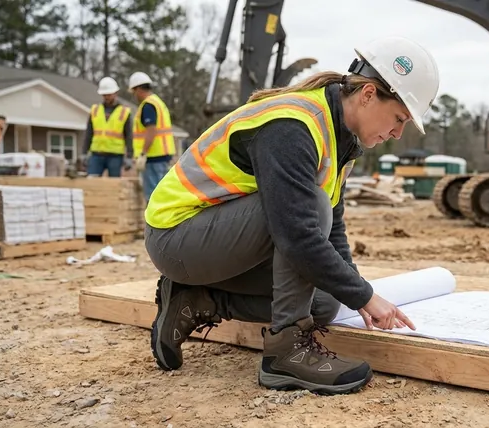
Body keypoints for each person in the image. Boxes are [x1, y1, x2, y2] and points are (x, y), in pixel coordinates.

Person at [143, 36, 440, 395]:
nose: (397, 132)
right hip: (177, 237)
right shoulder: (293, 126)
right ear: (368, 95)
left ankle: (197, 301)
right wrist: (366, 296)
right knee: (310, 208)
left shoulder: (340, 140)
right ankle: (285, 354)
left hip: (216, 240)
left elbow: (334, 231)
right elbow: (297, 233)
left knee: (326, 302)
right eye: (399, 118)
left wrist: (357, 293)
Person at [128, 71, 176, 203]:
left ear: (138, 89)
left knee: (154, 197)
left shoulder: (148, 105)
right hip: (163, 155)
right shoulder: (158, 102)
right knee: (163, 194)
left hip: (153, 157)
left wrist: (143, 153)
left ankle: (156, 224)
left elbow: (151, 130)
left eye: (133, 91)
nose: (134, 95)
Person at [83, 77, 133, 177]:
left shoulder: (124, 112)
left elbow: (129, 136)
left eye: (109, 94)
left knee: (114, 184)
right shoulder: (95, 110)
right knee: (92, 182)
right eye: (104, 95)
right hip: (96, 154)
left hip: (115, 155)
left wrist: (129, 156)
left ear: (115, 93)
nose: (107, 97)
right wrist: (84, 152)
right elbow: (89, 133)